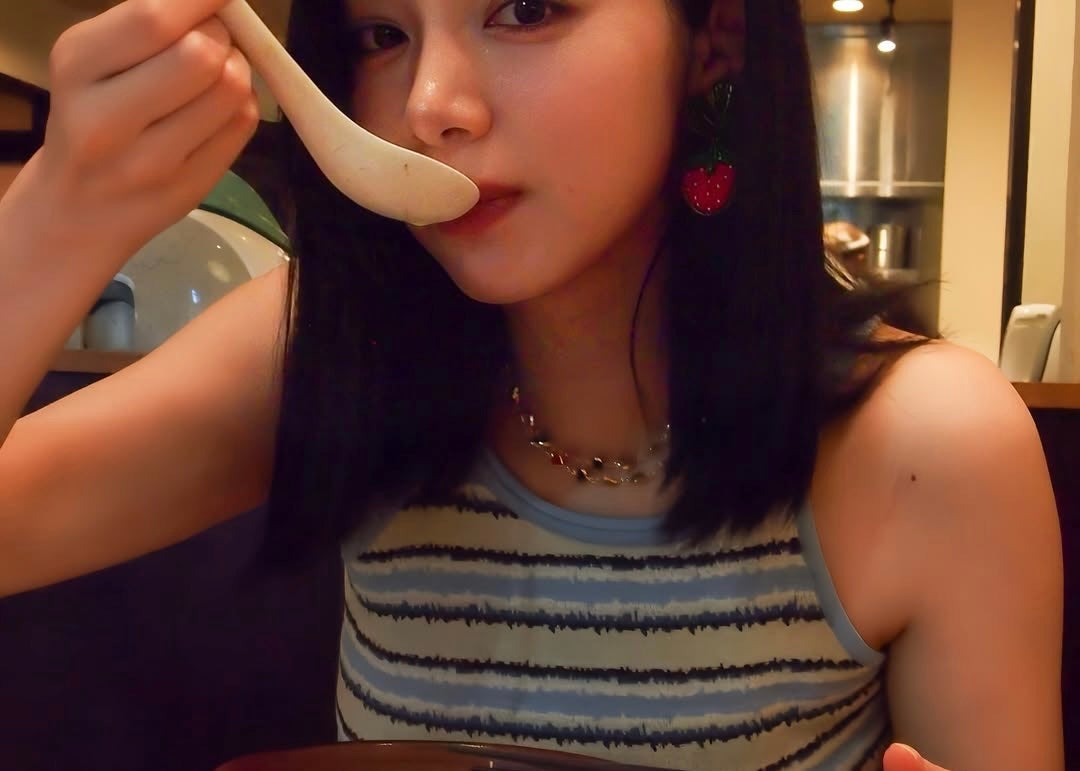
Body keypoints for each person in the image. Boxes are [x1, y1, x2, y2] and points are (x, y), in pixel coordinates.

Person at [0, 0, 1063, 769]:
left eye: (526, 9)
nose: (431, 107)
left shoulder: (927, 445)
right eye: (382, 35)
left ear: (713, 42)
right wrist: (59, 213)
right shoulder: (330, 347)